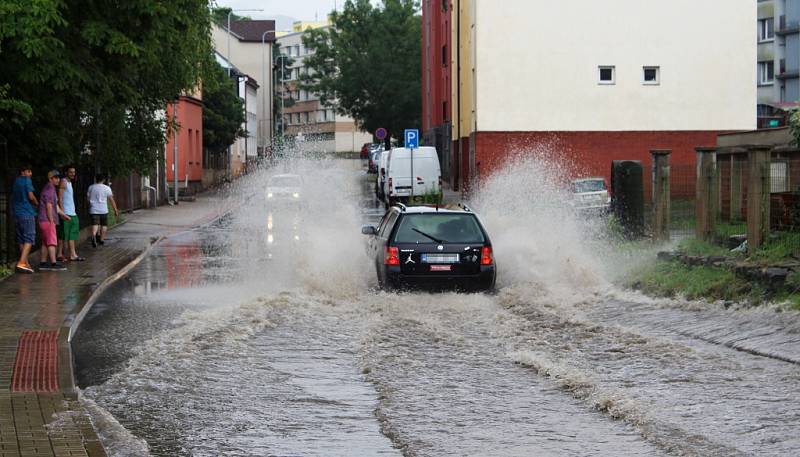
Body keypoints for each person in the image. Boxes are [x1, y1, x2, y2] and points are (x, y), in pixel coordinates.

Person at [38, 170, 69, 271]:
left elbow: (55, 206)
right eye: (55, 178)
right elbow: (49, 206)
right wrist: (51, 220)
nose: (58, 180)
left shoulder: (50, 188)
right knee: (51, 242)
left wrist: (63, 215)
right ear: (50, 179)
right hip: (47, 220)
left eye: (58, 178)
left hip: (43, 220)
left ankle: (43, 263)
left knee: (45, 242)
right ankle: (53, 263)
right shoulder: (50, 190)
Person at [11, 165, 39, 274]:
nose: (30, 174)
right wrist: (37, 203)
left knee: (21, 239)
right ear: (23, 172)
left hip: (17, 213)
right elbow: (31, 196)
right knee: (30, 237)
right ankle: (22, 262)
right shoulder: (26, 180)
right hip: (27, 212)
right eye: (28, 171)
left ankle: (26, 264)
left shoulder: (16, 182)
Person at [57, 166, 84, 262]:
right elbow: (59, 198)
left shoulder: (69, 182)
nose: (73, 174)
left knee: (66, 235)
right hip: (67, 213)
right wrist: (62, 212)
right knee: (68, 235)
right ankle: (73, 255)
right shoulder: (64, 182)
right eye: (70, 172)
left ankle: (61, 254)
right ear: (66, 173)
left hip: (72, 212)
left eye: (74, 172)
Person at [87, 173, 119, 247]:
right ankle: (101, 239)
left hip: (93, 209)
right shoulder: (107, 188)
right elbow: (111, 200)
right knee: (103, 225)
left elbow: (88, 199)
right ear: (103, 180)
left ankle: (94, 235)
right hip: (103, 209)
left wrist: (91, 204)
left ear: (96, 179)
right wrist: (115, 210)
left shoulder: (91, 187)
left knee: (95, 224)